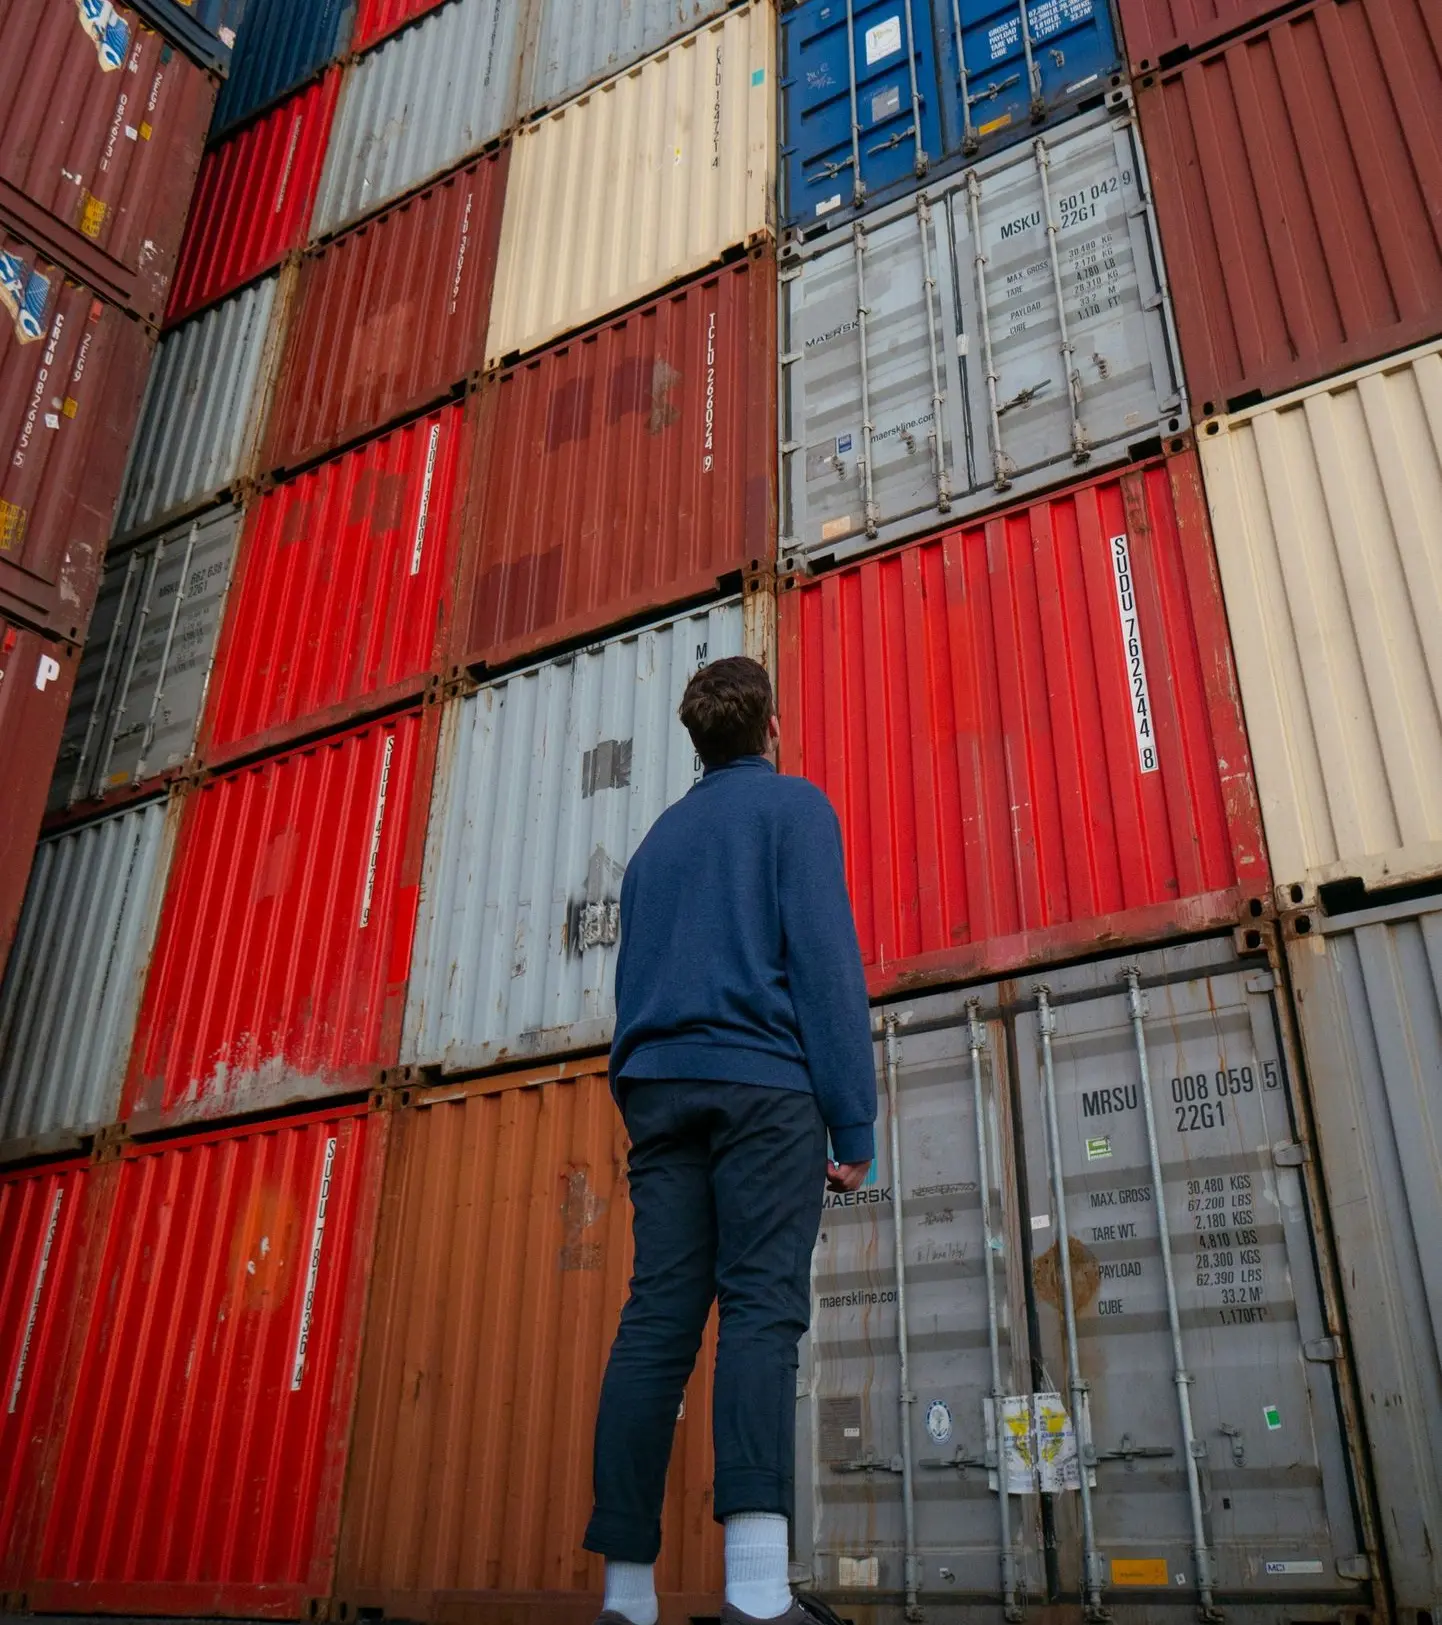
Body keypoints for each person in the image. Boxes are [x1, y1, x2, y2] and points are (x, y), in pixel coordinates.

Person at [584, 656, 877, 1625]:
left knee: (655, 1321)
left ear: (696, 740)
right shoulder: (793, 809)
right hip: (761, 1088)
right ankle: (755, 1590)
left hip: (657, 1089)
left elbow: (629, 988)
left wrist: (643, 1092)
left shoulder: (656, 843)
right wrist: (851, 1117)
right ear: (772, 729)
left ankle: (626, 1595)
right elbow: (825, 963)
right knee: (759, 1311)